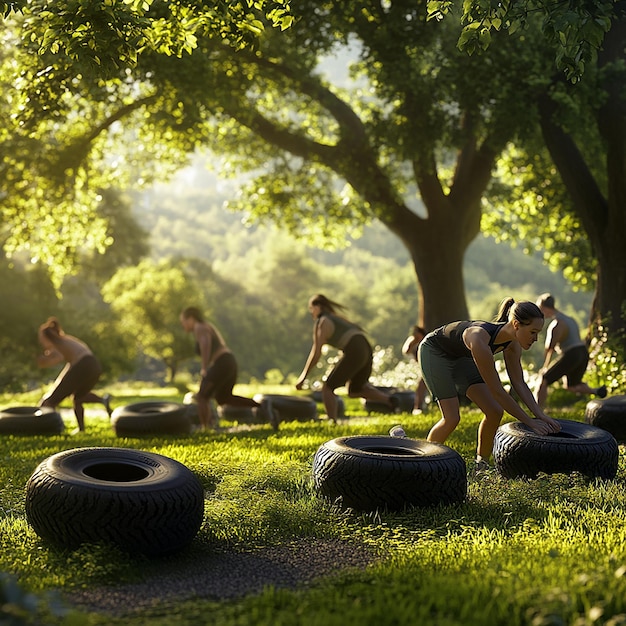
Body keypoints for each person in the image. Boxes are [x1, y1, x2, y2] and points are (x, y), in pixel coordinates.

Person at [417, 298, 561, 469]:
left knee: (494, 411)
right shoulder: (479, 339)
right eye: (533, 332)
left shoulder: (513, 345)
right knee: (451, 418)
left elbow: (519, 383)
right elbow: (498, 391)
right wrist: (530, 422)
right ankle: (422, 461)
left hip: (462, 357)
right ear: (516, 324)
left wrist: (540, 415)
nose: (536, 338)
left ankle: (481, 464)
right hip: (435, 352)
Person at [295, 294, 399, 422]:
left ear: (319, 307)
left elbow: (316, 353)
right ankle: (390, 400)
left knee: (327, 388)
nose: (311, 313)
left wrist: (303, 377)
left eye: (312, 309)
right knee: (355, 390)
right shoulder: (336, 319)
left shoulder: (323, 322)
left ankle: (332, 421)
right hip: (365, 347)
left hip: (356, 349)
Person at [180, 307, 278, 430]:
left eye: (183, 321)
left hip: (222, 362)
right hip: (228, 361)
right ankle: (261, 405)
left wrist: (204, 368)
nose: (182, 325)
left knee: (202, 396)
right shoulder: (206, 326)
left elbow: (205, 345)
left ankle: (206, 428)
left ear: (191, 318)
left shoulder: (199, 327)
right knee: (223, 398)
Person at [37, 317, 112, 433]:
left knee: (49, 402)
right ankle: (99, 405)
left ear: (47, 336)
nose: (41, 341)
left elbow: (59, 358)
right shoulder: (65, 340)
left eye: (41, 338)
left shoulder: (57, 343)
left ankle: (52, 428)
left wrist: (44, 361)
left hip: (84, 365)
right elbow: (69, 368)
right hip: (94, 365)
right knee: (78, 398)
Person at [535, 293, 606, 408]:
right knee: (571, 385)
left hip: (572, 354)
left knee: (544, 380)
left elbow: (550, 349)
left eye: (540, 310)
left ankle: (538, 412)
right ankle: (597, 391)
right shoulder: (570, 319)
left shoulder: (557, 324)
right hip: (583, 352)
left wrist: (545, 367)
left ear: (545, 308)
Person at [402, 325, 429, 414]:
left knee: (421, 385)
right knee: (420, 387)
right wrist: (413, 341)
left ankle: (419, 407)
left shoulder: (427, 340)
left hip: (430, 366)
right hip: (423, 368)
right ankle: (418, 407)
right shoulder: (413, 341)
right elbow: (406, 351)